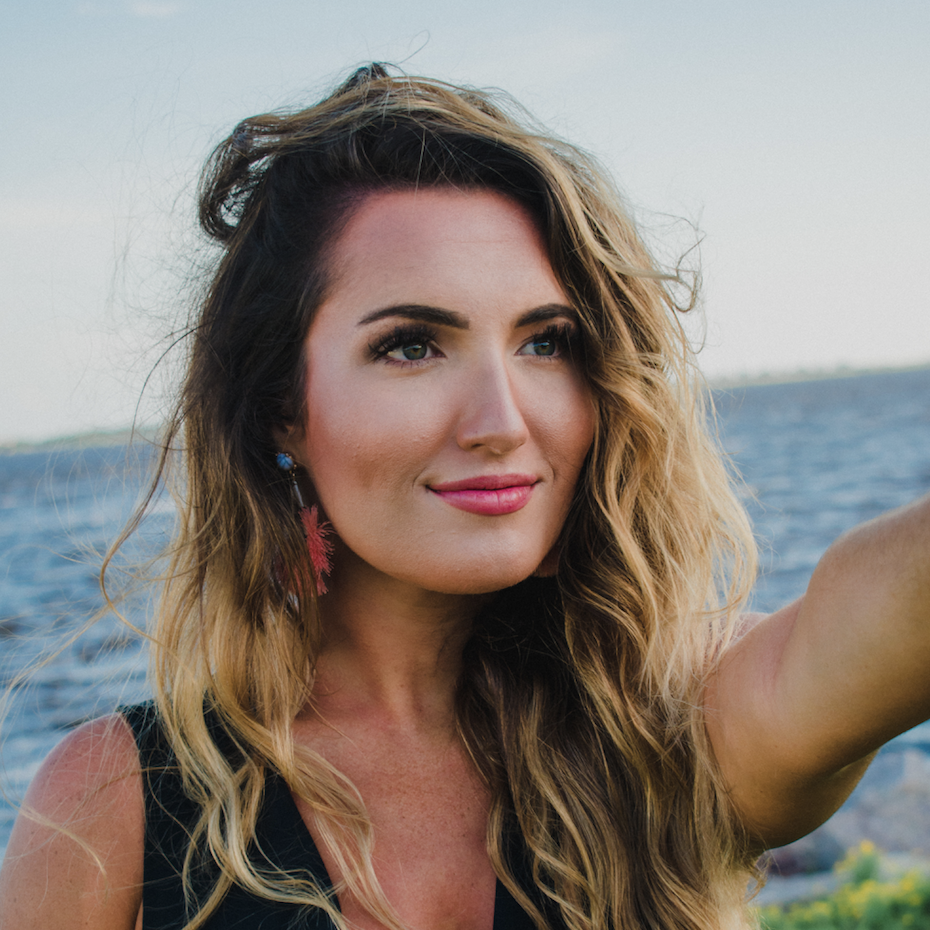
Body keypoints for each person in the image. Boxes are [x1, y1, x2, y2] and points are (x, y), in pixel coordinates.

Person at [0, 63, 927, 930]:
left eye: (545, 342)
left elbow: (873, 617)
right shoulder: (118, 805)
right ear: (282, 405)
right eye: (411, 345)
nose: (502, 421)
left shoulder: (663, 724)